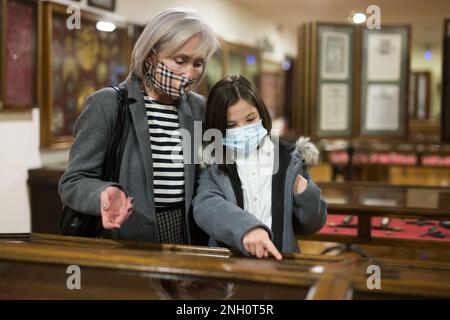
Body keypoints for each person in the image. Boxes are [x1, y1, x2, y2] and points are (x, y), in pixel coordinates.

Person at [59, 8, 219, 244]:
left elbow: (205, 175)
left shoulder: (198, 107)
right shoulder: (107, 104)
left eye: (198, 63)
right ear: (150, 55)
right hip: (126, 239)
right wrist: (103, 194)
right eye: (180, 60)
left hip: (186, 236)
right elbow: (73, 181)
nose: (189, 73)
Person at [192, 75, 327, 260]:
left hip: (282, 265)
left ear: (261, 113)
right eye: (231, 125)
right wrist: (247, 228)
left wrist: (304, 192)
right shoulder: (214, 164)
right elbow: (205, 206)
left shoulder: (290, 159)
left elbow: (311, 226)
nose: (242, 129)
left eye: (250, 119)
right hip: (230, 268)